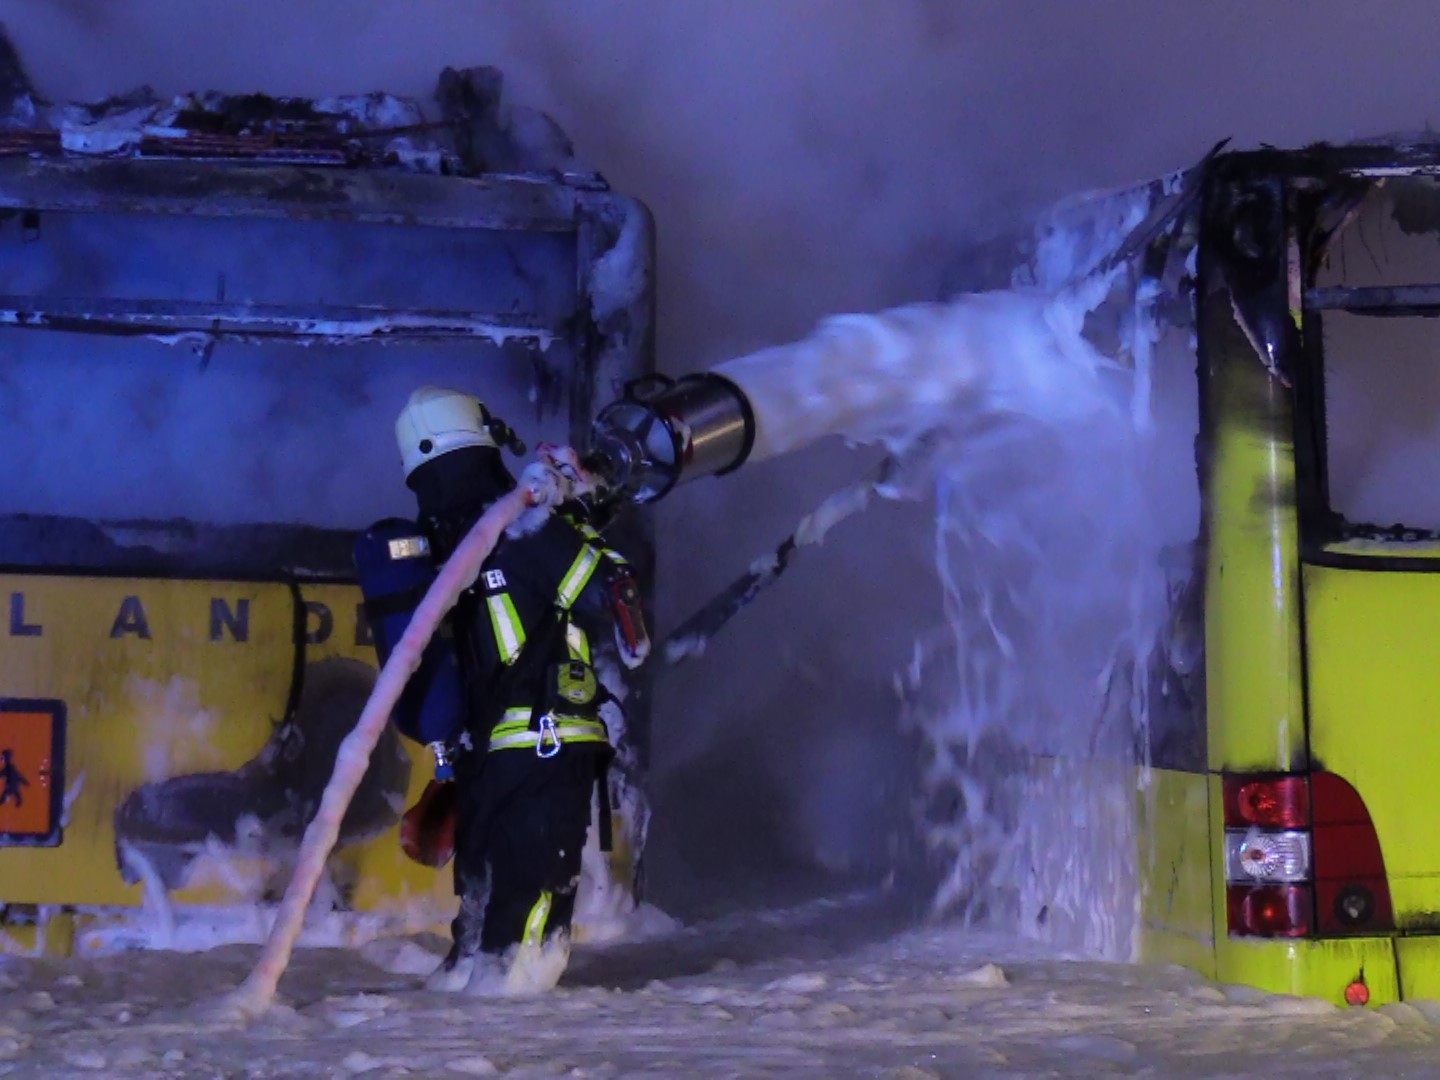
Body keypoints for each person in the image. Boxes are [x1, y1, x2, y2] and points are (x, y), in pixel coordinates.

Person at [389, 386, 649, 991]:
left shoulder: (450, 545)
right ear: (484, 440)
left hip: (483, 763)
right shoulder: (530, 529)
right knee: (525, 943)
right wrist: (582, 520)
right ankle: (505, 1048)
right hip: (547, 750)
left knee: (478, 932)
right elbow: (622, 617)